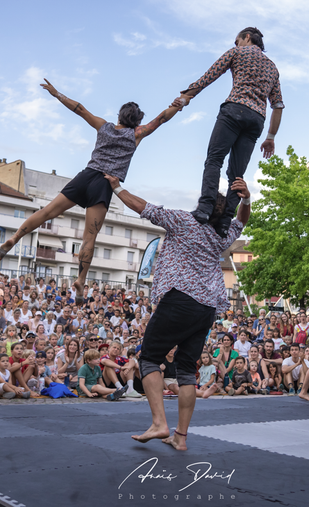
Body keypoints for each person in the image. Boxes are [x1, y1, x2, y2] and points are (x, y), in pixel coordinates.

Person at [0, 80, 184, 301]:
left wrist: (56, 93)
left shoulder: (103, 126)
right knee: (89, 237)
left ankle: (15, 238)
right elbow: (161, 119)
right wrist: (178, 104)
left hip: (85, 176)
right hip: (104, 184)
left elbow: (80, 109)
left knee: (47, 212)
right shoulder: (136, 134)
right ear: (137, 121)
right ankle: (81, 280)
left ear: (119, 116)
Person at [106, 173, 251, 451]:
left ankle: (159, 422)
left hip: (181, 300)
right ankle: (180, 437)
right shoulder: (221, 234)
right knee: (186, 369)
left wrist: (116, 186)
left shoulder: (183, 221)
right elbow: (242, 221)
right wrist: (246, 199)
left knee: (148, 357)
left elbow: (142, 207)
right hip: (207, 308)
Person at [174, 27, 284, 237]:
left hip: (234, 110)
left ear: (247, 38)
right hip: (257, 120)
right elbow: (278, 105)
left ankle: (205, 208)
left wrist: (187, 96)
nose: (236, 44)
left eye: (237, 40)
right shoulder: (273, 68)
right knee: (237, 174)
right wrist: (271, 137)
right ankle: (225, 221)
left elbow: (210, 75)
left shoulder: (237, 53)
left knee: (214, 159)